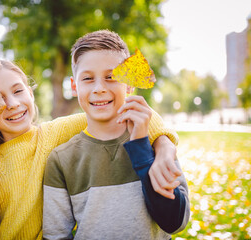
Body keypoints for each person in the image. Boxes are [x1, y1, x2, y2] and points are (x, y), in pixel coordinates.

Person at [0, 59, 179, 239]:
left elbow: (124, 109)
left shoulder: (53, 135)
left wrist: (164, 144)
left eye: (18, 91)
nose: (12, 104)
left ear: (30, 95)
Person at [43, 30, 190, 239]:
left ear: (129, 83)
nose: (99, 88)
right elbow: (55, 235)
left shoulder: (158, 146)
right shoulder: (61, 160)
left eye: (111, 77)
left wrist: (141, 149)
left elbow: (174, 222)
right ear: (74, 86)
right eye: (87, 78)